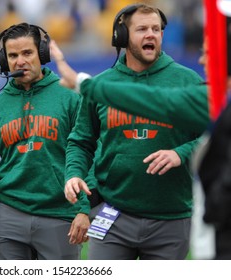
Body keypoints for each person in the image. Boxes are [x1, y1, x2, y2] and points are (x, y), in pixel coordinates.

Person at [54, 3, 205, 260]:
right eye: (142, 29)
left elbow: (213, 136)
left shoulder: (187, 81)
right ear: (122, 37)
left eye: (156, 29)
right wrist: (74, 174)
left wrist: (180, 153)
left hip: (171, 218)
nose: (151, 35)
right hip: (112, 214)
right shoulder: (101, 85)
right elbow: (81, 141)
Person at [0, 22, 90, 260]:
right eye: (13, 55)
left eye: (27, 53)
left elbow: (91, 156)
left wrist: (84, 209)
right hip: (9, 216)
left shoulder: (70, 97)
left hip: (59, 215)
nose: (20, 61)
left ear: (42, 54)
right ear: (5, 61)